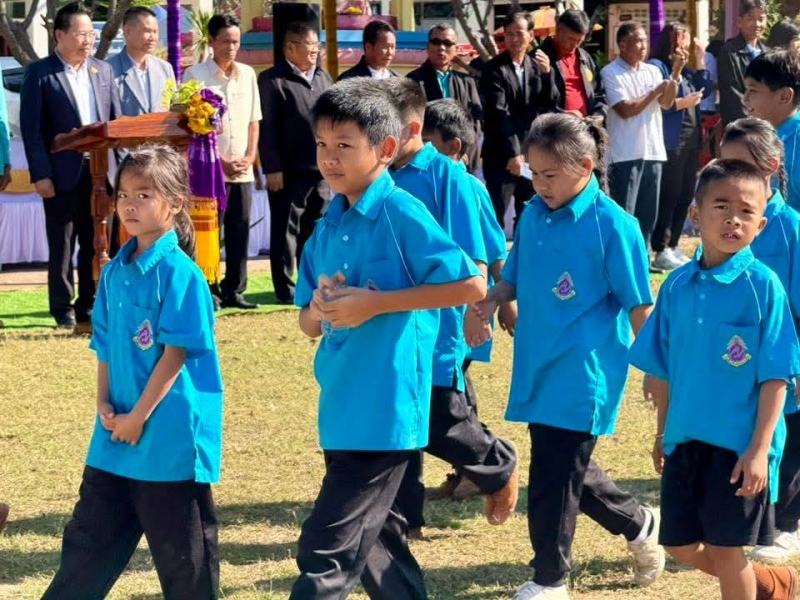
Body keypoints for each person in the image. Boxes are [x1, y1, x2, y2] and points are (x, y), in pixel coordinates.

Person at [289, 78, 485, 599]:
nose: (329, 158)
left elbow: (470, 284)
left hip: (386, 410)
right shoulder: (328, 223)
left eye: (344, 145)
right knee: (380, 550)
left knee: (325, 550)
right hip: (341, 405)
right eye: (322, 145)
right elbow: (306, 323)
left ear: (386, 148)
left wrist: (376, 303)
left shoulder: (401, 212)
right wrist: (320, 307)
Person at [474, 113, 664, 600]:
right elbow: (514, 275)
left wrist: (657, 369)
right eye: (534, 174)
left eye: (550, 175)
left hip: (585, 370)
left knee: (552, 475)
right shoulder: (534, 214)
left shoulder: (614, 225)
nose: (540, 185)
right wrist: (493, 299)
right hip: (539, 363)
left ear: (584, 166)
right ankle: (639, 523)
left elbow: (639, 305)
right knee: (563, 466)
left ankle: (549, 578)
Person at [41, 144, 223, 600]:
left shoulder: (181, 275)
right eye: (123, 194)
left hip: (166, 442)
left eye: (144, 194)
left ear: (175, 203)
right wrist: (104, 405)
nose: (129, 204)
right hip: (114, 439)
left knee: (185, 564)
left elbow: (174, 357)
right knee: (85, 549)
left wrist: (138, 417)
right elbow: (104, 346)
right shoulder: (113, 272)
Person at [629, 158, 800, 600]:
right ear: (695, 214)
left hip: (738, 446)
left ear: (760, 225)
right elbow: (663, 369)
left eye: (746, 211)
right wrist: (662, 432)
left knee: (727, 550)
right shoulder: (675, 286)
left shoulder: (763, 287)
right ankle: (769, 585)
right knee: (679, 546)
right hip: (685, 439)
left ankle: (747, 584)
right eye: (722, 206)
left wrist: (759, 450)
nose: (733, 219)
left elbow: (777, 377)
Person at [382, 77, 519, 535]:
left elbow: (475, 260)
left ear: (410, 127)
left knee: (440, 417)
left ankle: (496, 463)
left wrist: (477, 314)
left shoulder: (449, 178)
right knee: (401, 422)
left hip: (438, 325)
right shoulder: (379, 177)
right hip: (392, 323)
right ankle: (404, 522)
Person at [421, 98, 517, 502]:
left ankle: (488, 462)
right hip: (433, 311)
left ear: (453, 146)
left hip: (462, 312)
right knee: (452, 391)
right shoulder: (420, 182)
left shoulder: (466, 187)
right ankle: (470, 469)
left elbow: (494, 251)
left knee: (449, 395)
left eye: (427, 141)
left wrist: (506, 304)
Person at [720, 118, 800, 564]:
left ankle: (787, 524)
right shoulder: (722, 224)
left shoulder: (790, 228)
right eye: (722, 164)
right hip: (734, 359)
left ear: (770, 167)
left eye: (739, 165)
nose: (728, 175)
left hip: (783, 357)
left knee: (791, 434)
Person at [20, 2, 121, 330]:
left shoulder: (103, 70)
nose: (88, 40)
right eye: (81, 34)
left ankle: (89, 305)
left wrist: (121, 172)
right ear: (59, 35)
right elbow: (33, 131)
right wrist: (42, 175)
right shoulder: (40, 73)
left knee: (97, 242)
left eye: (91, 34)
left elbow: (115, 123)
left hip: (101, 174)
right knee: (62, 245)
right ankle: (62, 309)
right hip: (61, 175)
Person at [185, 14, 262, 310]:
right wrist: (221, 160)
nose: (231, 47)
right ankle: (209, 289)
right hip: (209, 172)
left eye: (236, 42)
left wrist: (250, 156)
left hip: (242, 170)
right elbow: (192, 128)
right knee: (209, 232)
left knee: (240, 229)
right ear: (212, 41)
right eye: (226, 41)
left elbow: (254, 120)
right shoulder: (194, 75)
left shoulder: (248, 74)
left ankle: (236, 290)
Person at [258, 21, 333, 305]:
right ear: (290, 48)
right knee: (286, 230)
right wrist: (272, 168)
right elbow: (267, 128)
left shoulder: (324, 77)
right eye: (309, 45)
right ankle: (285, 287)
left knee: (315, 229)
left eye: (317, 45)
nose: (315, 50)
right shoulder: (272, 80)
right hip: (287, 172)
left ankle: (310, 281)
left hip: (321, 170)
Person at [601, 21, 677, 273]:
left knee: (647, 212)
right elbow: (625, 110)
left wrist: (674, 75)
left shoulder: (652, 70)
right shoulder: (611, 72)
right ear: (622, 45)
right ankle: (622, 262)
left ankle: (642, 260)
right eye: (638, 41)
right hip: (625, 153)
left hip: (653, 150)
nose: (643, 46)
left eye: (645, 40)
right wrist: (655, 92)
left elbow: (666, 103)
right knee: (625, 212)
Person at [480, 11, 557, 229]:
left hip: (531, 154)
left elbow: (549, 105)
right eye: (509, 34)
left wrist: (547, 74)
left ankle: (524, 250)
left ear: (531, 35)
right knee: (496, 214)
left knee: (528, 213)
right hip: (501, 154)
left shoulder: (536, 65)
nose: (514, 39)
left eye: (519, 33)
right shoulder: (494, 68)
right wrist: (514, 154)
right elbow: (499, 113)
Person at [648, 23, 713, 271]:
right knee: (670, 194)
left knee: (685, 194)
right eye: (680, 41)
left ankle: (674, 244)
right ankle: (660, 247)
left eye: (686, 41)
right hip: (670, 141)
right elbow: (658, 102)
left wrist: (700, 59)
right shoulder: (658, 66)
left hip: (691, 140)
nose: (683, 46)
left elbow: (705, 87)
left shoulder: (685, 70)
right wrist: (681, 103)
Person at [407, 24, 483, 170]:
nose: (441, 48)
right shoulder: (413, 81)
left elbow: (476, 122)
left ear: (456, 49)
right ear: (428, 46)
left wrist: (463, 151)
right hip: (427, 161)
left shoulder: (467, 82)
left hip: (463, 160)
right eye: (436, 42)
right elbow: (411, 122)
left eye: (447, 43)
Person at [743, 49, 800, 210]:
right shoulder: (760, 137)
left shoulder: (796, 141)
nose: (745, 99)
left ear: (784, 96)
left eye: (753, 91)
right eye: (745, 90)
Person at [539, 9, 606, 122]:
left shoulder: (585, 57)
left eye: (579, 41)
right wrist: (561, 115)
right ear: (558, 29)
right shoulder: (540, 57)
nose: (574, 45)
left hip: (586, 127)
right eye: (571, 39)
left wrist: (599, 114)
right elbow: (535, 102)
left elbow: (599, 94)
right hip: (556, 128)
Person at [107, 7, 176, 118]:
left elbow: (174, 109)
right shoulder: (108, 70)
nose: (152, 37)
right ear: (128, 31)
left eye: (155, 32)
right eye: (147, 31)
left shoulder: (165, 68)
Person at [718, 0, 769, 127]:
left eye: (761, 19)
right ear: (739, 22)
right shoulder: (730, 51)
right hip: (741, 125)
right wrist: (753, 121)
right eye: (750, 19)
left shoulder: (768, 53)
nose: (757, 24)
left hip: (766, 124)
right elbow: (732, 93)